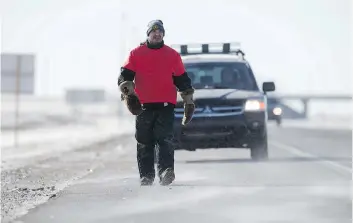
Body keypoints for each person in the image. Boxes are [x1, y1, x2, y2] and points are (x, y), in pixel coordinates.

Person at [117, 19, 195, 186]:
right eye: (154, 31)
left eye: (160, 31)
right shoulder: (136, 54)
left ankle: (166, 171)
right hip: (142, 106)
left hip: (165, 105)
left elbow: (182, 80)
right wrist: (128, 93)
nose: (157, 34)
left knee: (165, 139)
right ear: (148, 34)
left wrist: (188, 101)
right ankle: (146, 176)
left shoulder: (172, 55)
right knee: (144, 141)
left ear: (163, 34)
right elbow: (125, 77)